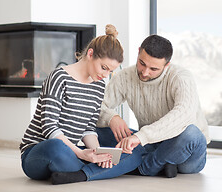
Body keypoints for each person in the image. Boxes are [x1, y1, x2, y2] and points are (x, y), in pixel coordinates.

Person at [20, 25, 145, 185]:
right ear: (90, 54)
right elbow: (49, 127)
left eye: (110, 72)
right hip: (40, 151)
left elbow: (88, 128)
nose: (105, 75)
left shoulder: (99, 86)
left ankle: (81, 174)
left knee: (137, 151)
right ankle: (101, 171)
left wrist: (98, 153)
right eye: (104, 68)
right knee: (56, 147)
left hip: (71, 152)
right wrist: (82, 154)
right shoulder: (59, 77)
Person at [96, 34, 211, 178]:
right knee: (97, 128)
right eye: (142, 63)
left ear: (167, 65)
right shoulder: (125, 76)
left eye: (153, 69)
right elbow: (96, 106)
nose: (145, 72)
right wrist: (111, 117)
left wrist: (140, 137)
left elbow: (184, 115)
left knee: (192, 133)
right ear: (138, 52)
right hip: (150, 144)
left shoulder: (181, 77)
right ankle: (163, 163)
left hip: (184, 150)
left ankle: (143, 168)